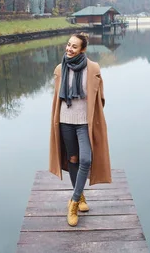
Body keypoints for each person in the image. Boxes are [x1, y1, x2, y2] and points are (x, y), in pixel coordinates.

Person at [48, 32, 112, 227]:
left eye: (74, 46)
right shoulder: (60, 68)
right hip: (65, 121)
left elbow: (101, 97)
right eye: (68, 45)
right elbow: (57, 97)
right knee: (73, 159)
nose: (69, 49)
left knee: (86, 159)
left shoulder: (93, 69)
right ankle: (81, 196)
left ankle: (73, 202)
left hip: (84, 122)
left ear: (83, 49)